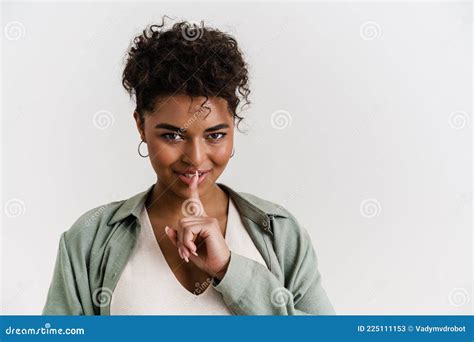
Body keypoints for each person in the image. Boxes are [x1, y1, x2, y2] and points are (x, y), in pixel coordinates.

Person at [42, 18, 335, 315]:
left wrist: (229, 270)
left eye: (215, 135)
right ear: (141, 126)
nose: (195, 158)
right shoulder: (89, 240)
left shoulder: (280, 233)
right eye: (172, 135)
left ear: (233, 126)